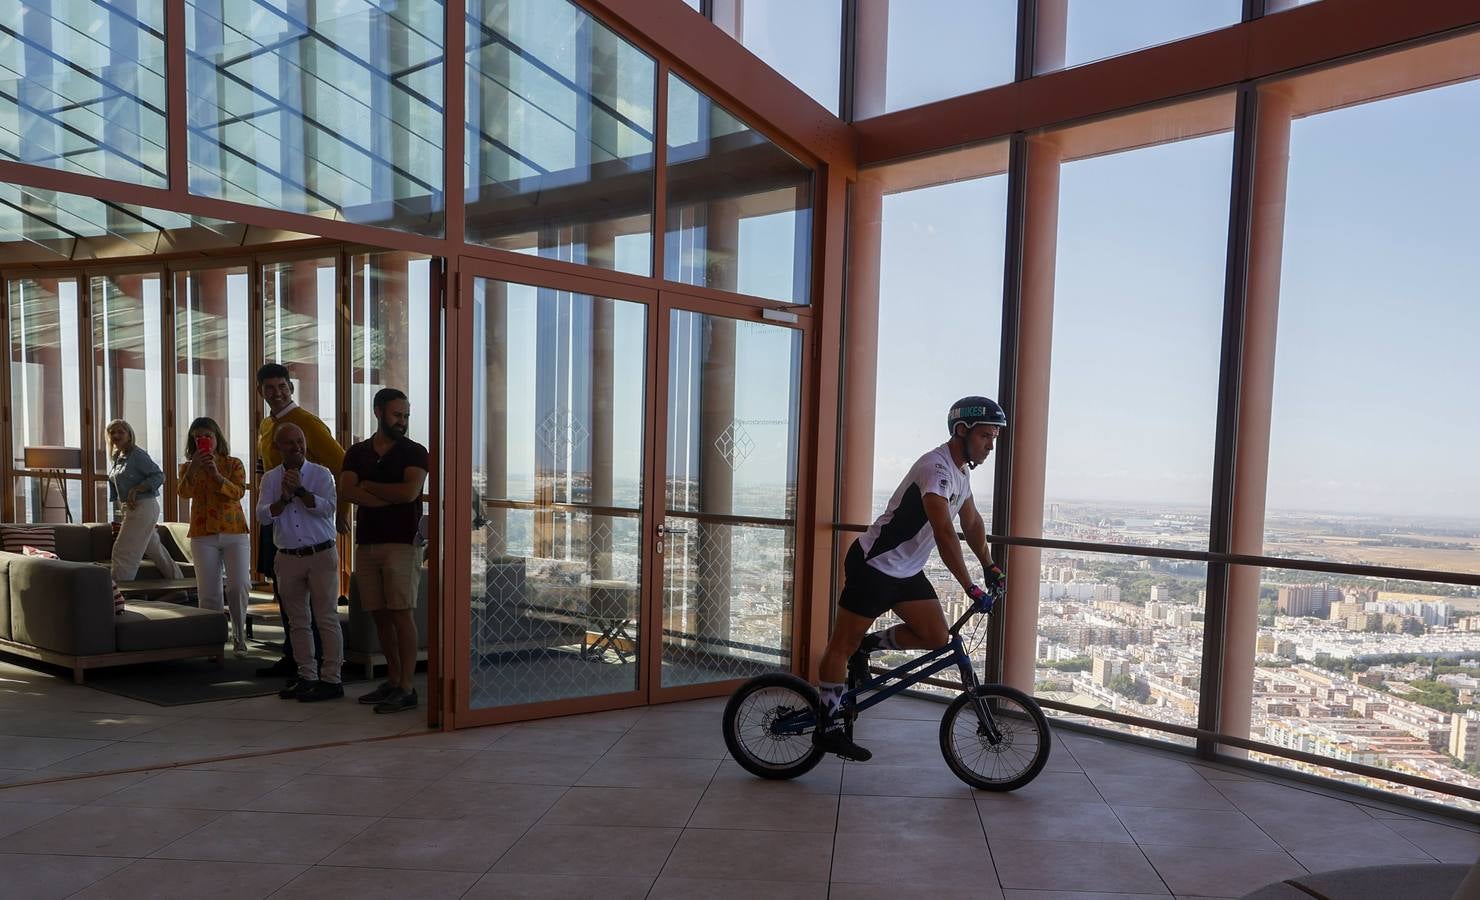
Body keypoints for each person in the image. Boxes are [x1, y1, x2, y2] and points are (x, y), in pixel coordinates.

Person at [813, 396, 1009, 762]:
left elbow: (972, 523)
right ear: (961, 431)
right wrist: (969, 585)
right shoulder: (935, 469)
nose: (991, 445)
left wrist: (990, 565)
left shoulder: (960, 473)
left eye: (994, 438)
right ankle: (828, 726)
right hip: (874, 565)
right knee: (841, 644)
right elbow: (945, 532)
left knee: (936, 636)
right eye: (986, 436)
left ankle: (867, 647)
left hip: (905, 570)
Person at [254, 363, 347, 681]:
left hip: (312, 521)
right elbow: (264, 468)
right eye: (269, 388)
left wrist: (343, 513)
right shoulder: (268, 425)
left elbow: (341, 465)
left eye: (282, 386)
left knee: (320, 609)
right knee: (286, 596)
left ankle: (323, 667)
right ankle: (295, 658)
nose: (276, 393)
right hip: (281, 521)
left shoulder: (307, 423)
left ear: (290, 388)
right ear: (261, 392)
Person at [340, 388, 429, 714]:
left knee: (401, 614)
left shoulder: (415, 452)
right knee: (379, 615)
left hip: (402, 544)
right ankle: (393, 680)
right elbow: (346, 490)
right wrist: (379, 495)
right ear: (379, 412)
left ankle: (407, 687)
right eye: (397, 415)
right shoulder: (357, 452)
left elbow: (408, 493)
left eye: (406, 416)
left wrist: (368, 487)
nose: (402, 422)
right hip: (368, 543)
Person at [177, 417, 251, 657]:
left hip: (234, 531)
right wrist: (195, 468)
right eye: (198, 438)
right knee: (209, 591)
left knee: (239, 585)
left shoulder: (233, 464)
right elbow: (183, 493)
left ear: (217, 438)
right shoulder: (188, 468)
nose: (203, 441)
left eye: (207, 436)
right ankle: (212, 641)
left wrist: (217, 475)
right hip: (202, 533)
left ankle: (239, 636)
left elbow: (238, 492)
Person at [105, 419, 183, 583]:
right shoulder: (118, 457)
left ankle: (118, 594)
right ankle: (180, 584)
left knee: (123, 551)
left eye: (121, 432)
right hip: (132, 508)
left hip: (143, 506)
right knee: (155, 550)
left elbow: (159, 475)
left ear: (129, 434)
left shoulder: (137, 455)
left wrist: (137, 489)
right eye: (112, 432)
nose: (116, 435)